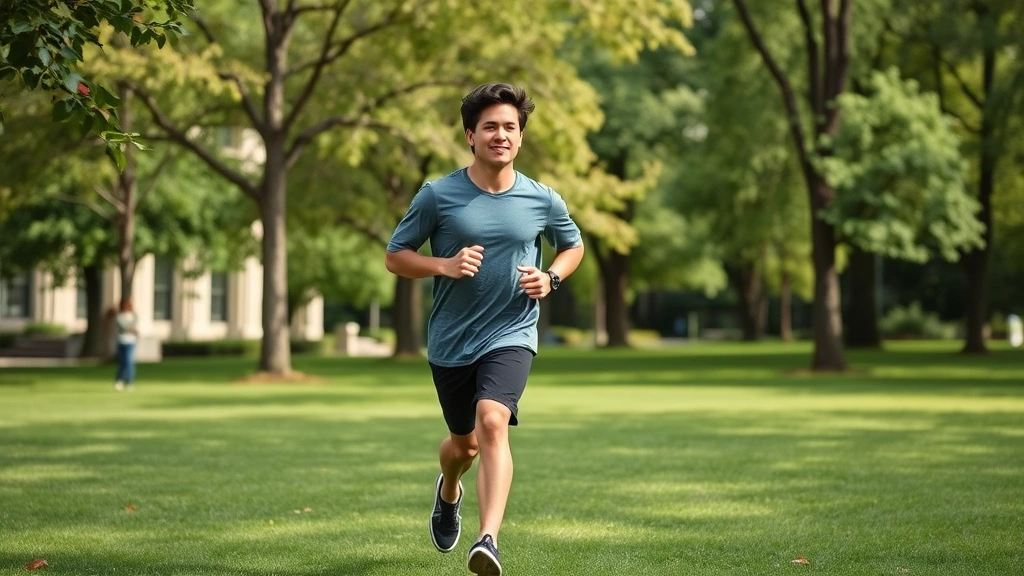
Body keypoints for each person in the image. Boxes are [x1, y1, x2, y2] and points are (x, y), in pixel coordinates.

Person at [385, 83, 585, 576]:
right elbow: (395, 257)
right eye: (491, 126)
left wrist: (551, 276)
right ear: (471, 135)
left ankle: (488, 540)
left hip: (512, 332)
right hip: (452, 341)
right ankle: (448, 489)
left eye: (510, 127)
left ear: (520, 138)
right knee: (463, 446)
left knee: (493, 421)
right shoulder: (438, 194)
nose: (501, 135)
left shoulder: (542, 199)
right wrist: (443, 266)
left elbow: (572, 245)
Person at [113, 298, 139, 391]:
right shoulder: (119, 316)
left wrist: (132, 329)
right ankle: (119, 380)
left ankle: (129, 381)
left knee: (130, 362)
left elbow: (134, 327)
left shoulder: (133, 316)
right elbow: (123, 327)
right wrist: (131, 329)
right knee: (124, 362)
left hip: (131, 341)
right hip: (122, 341)